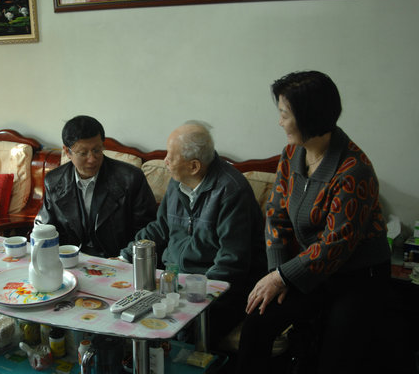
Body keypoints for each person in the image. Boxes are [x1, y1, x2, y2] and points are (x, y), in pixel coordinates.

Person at [236, 71, 391, 374]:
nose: (279, 122)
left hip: (357, 276)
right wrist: (276, 273)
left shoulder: (353, 170)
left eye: (284, 114)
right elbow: (276, 215)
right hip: (310, 268)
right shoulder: (292, 154)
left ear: (309, 117)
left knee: (334, 357)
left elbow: (336, 245)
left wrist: (282, 277)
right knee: (259, 317)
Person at [120, 121, 267, 343]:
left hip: (218, 292)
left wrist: (194, 296)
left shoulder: (231, 192)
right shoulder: (178, 181)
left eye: (171, 157)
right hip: (173, 282)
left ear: (194, 166)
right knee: (127, 313)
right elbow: (160, 228)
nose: (165, 161)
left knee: (181, 334)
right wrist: (126, 255)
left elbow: (231, 262)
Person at [35, 115, 157, 258]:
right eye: (83, 153)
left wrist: (125, 257)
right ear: (67, 152)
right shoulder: (54, 181)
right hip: (71, 260)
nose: (92, 159)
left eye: (97, 150)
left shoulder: (130, 178)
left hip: (117, 259)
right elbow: (44, 226)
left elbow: (147, 229)